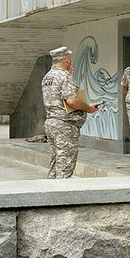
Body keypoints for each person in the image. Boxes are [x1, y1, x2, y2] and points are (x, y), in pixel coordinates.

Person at [41, 46, 99, 178]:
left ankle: (50, 189)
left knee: (54, 164)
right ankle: (61, 191)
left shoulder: (47, 77)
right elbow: (71, 101)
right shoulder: (64, 76)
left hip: (51, 123)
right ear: (66, 60)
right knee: (65, 167)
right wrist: (89, 108)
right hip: (64, 126)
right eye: (70, 59)